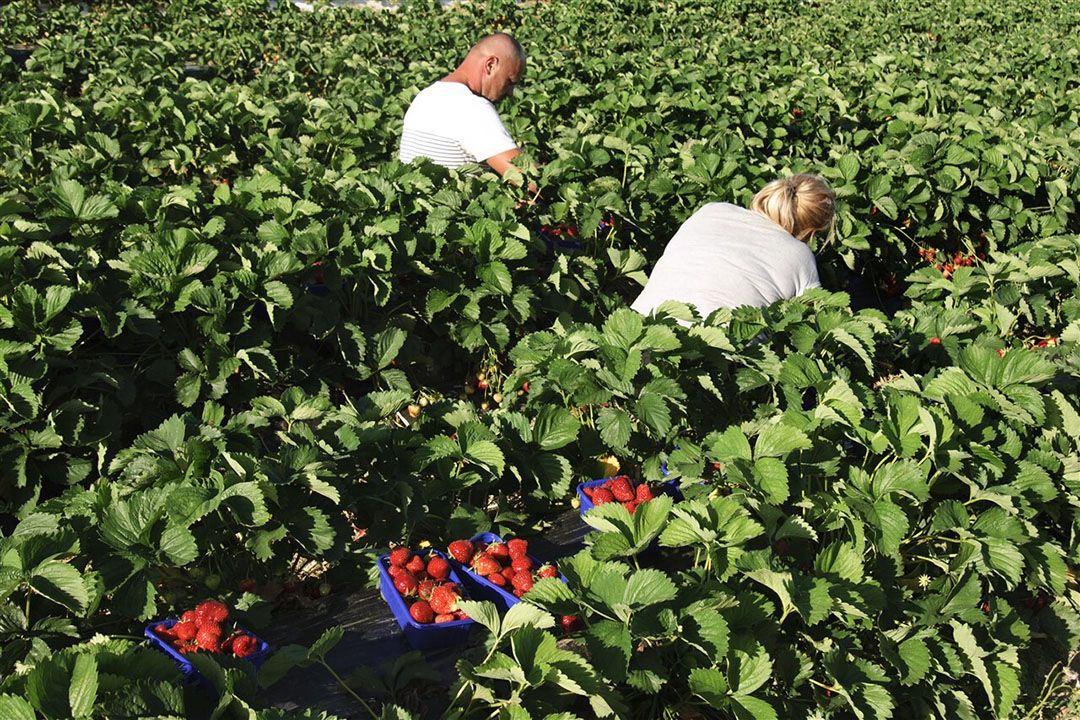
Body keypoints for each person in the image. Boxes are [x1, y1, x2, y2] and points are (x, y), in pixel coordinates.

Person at [630, 174, 836, 318]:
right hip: (714, 355)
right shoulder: (800, 255)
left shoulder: (711, 209)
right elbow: (814, 319)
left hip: (640, 326)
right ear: (811, 232)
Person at [398, 33, 526, 178]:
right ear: (490, 65)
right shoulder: (473, 108)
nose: (510, 93)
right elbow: (527, 179)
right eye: (509, 81)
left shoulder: (424, 96)